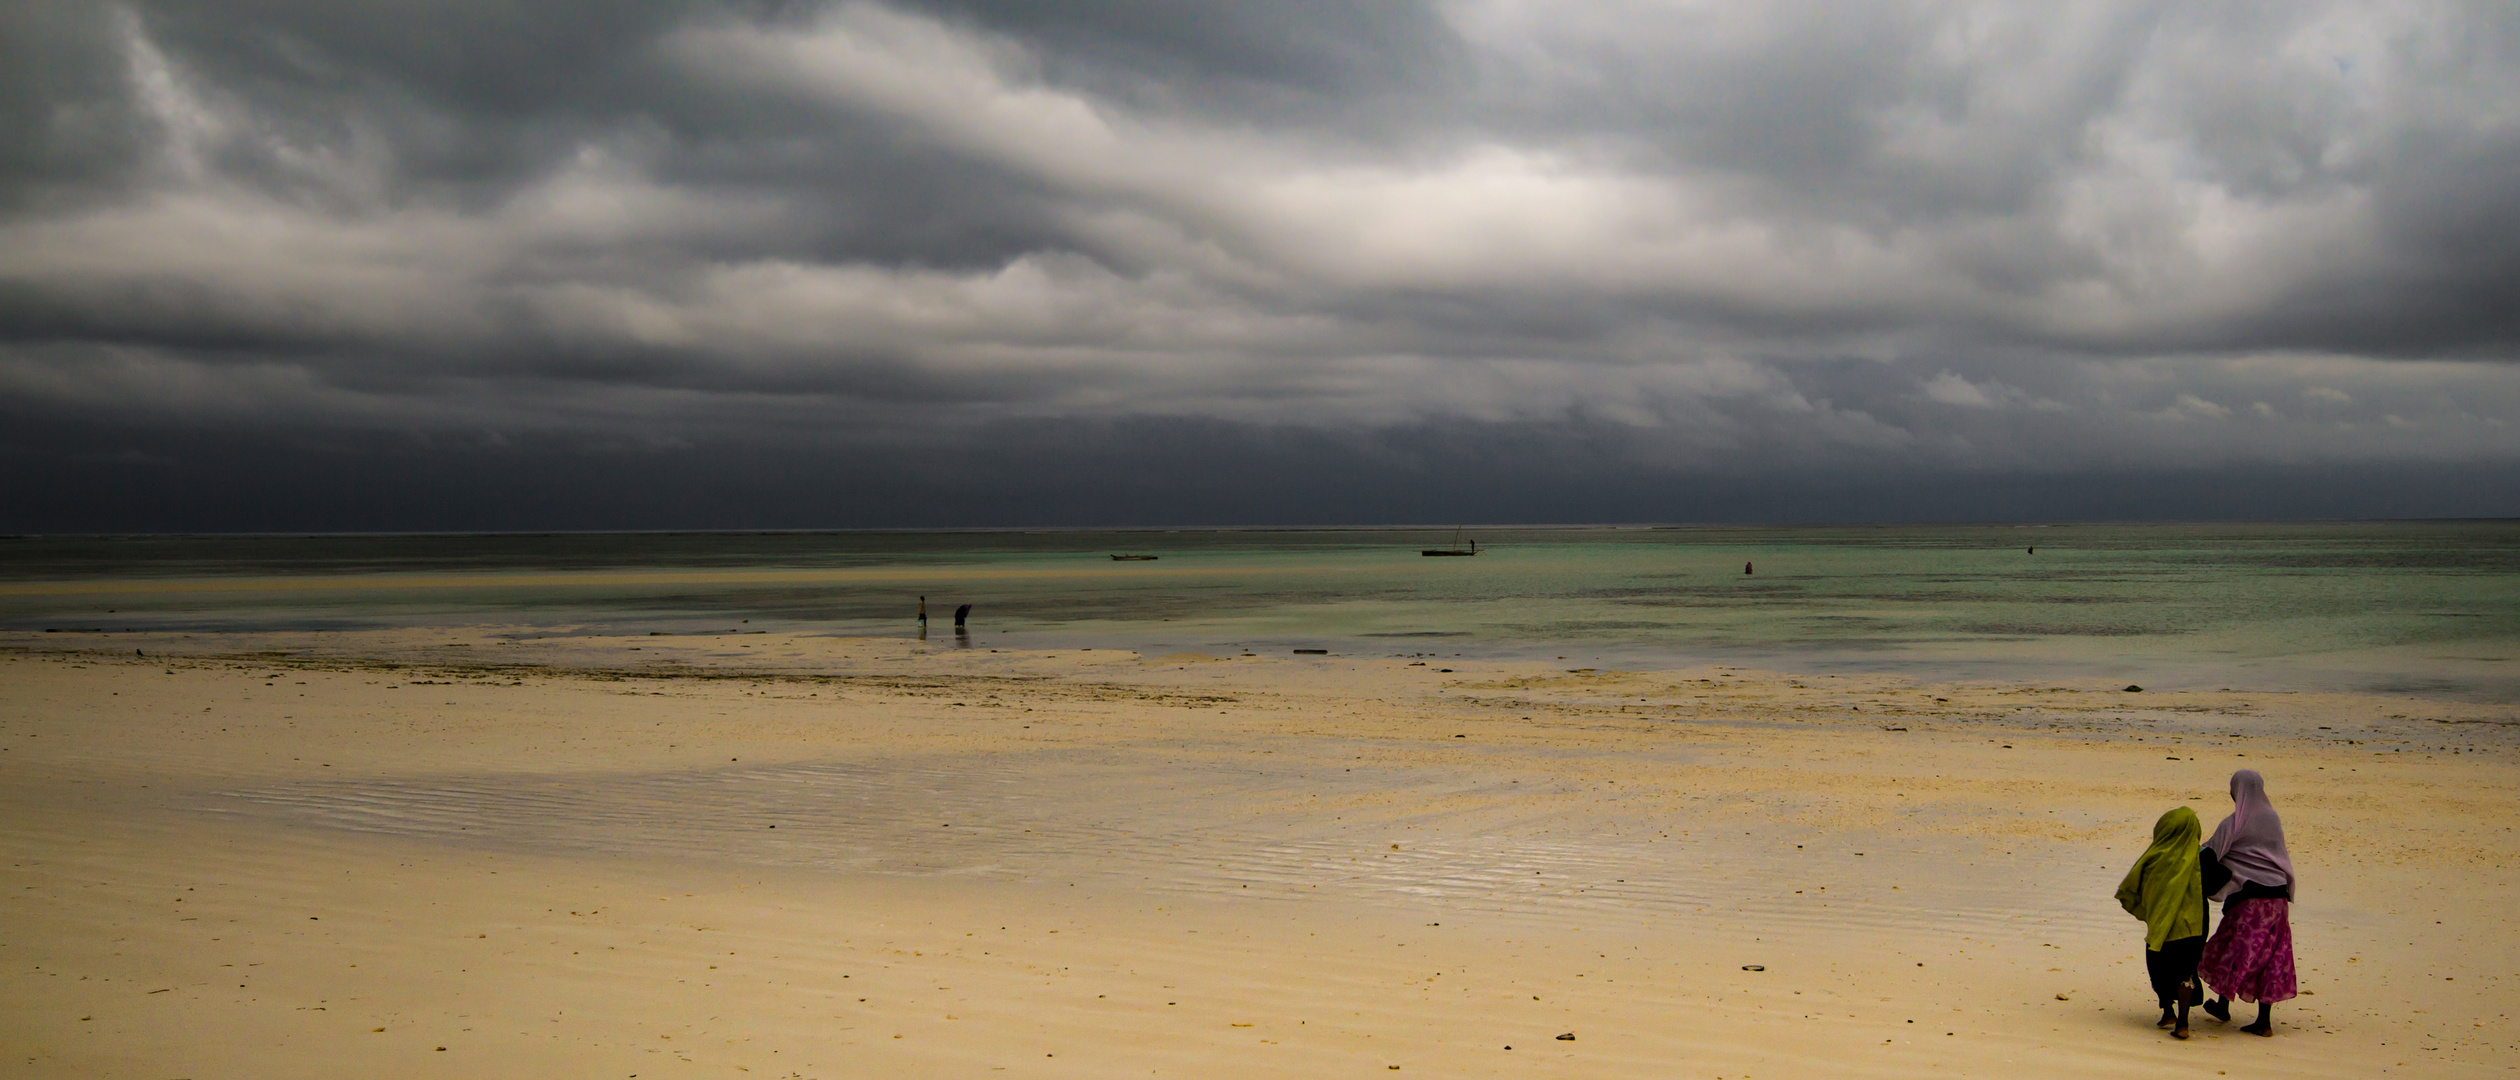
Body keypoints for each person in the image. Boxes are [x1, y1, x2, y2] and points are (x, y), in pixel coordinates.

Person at [2197, 769, 2298, 1036]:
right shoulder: (2272, 818)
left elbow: (2211, 852)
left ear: (2237, 791)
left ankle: (2222, 1006)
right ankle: (2263, 1021)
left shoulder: (2233, 823)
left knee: (2232, 950)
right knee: (2272, 957)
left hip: (2250, 901)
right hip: (2278, 900)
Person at [2116, 806, 2207, 1038]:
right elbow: (2221, 883)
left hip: (2161, 926)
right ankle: (2183, 1024)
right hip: (2191, 926)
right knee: (2186, 973)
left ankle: (2168, 1011)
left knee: (2159, 968)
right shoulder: (2201, 858)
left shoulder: (2154, 856)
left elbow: (2137, 886)